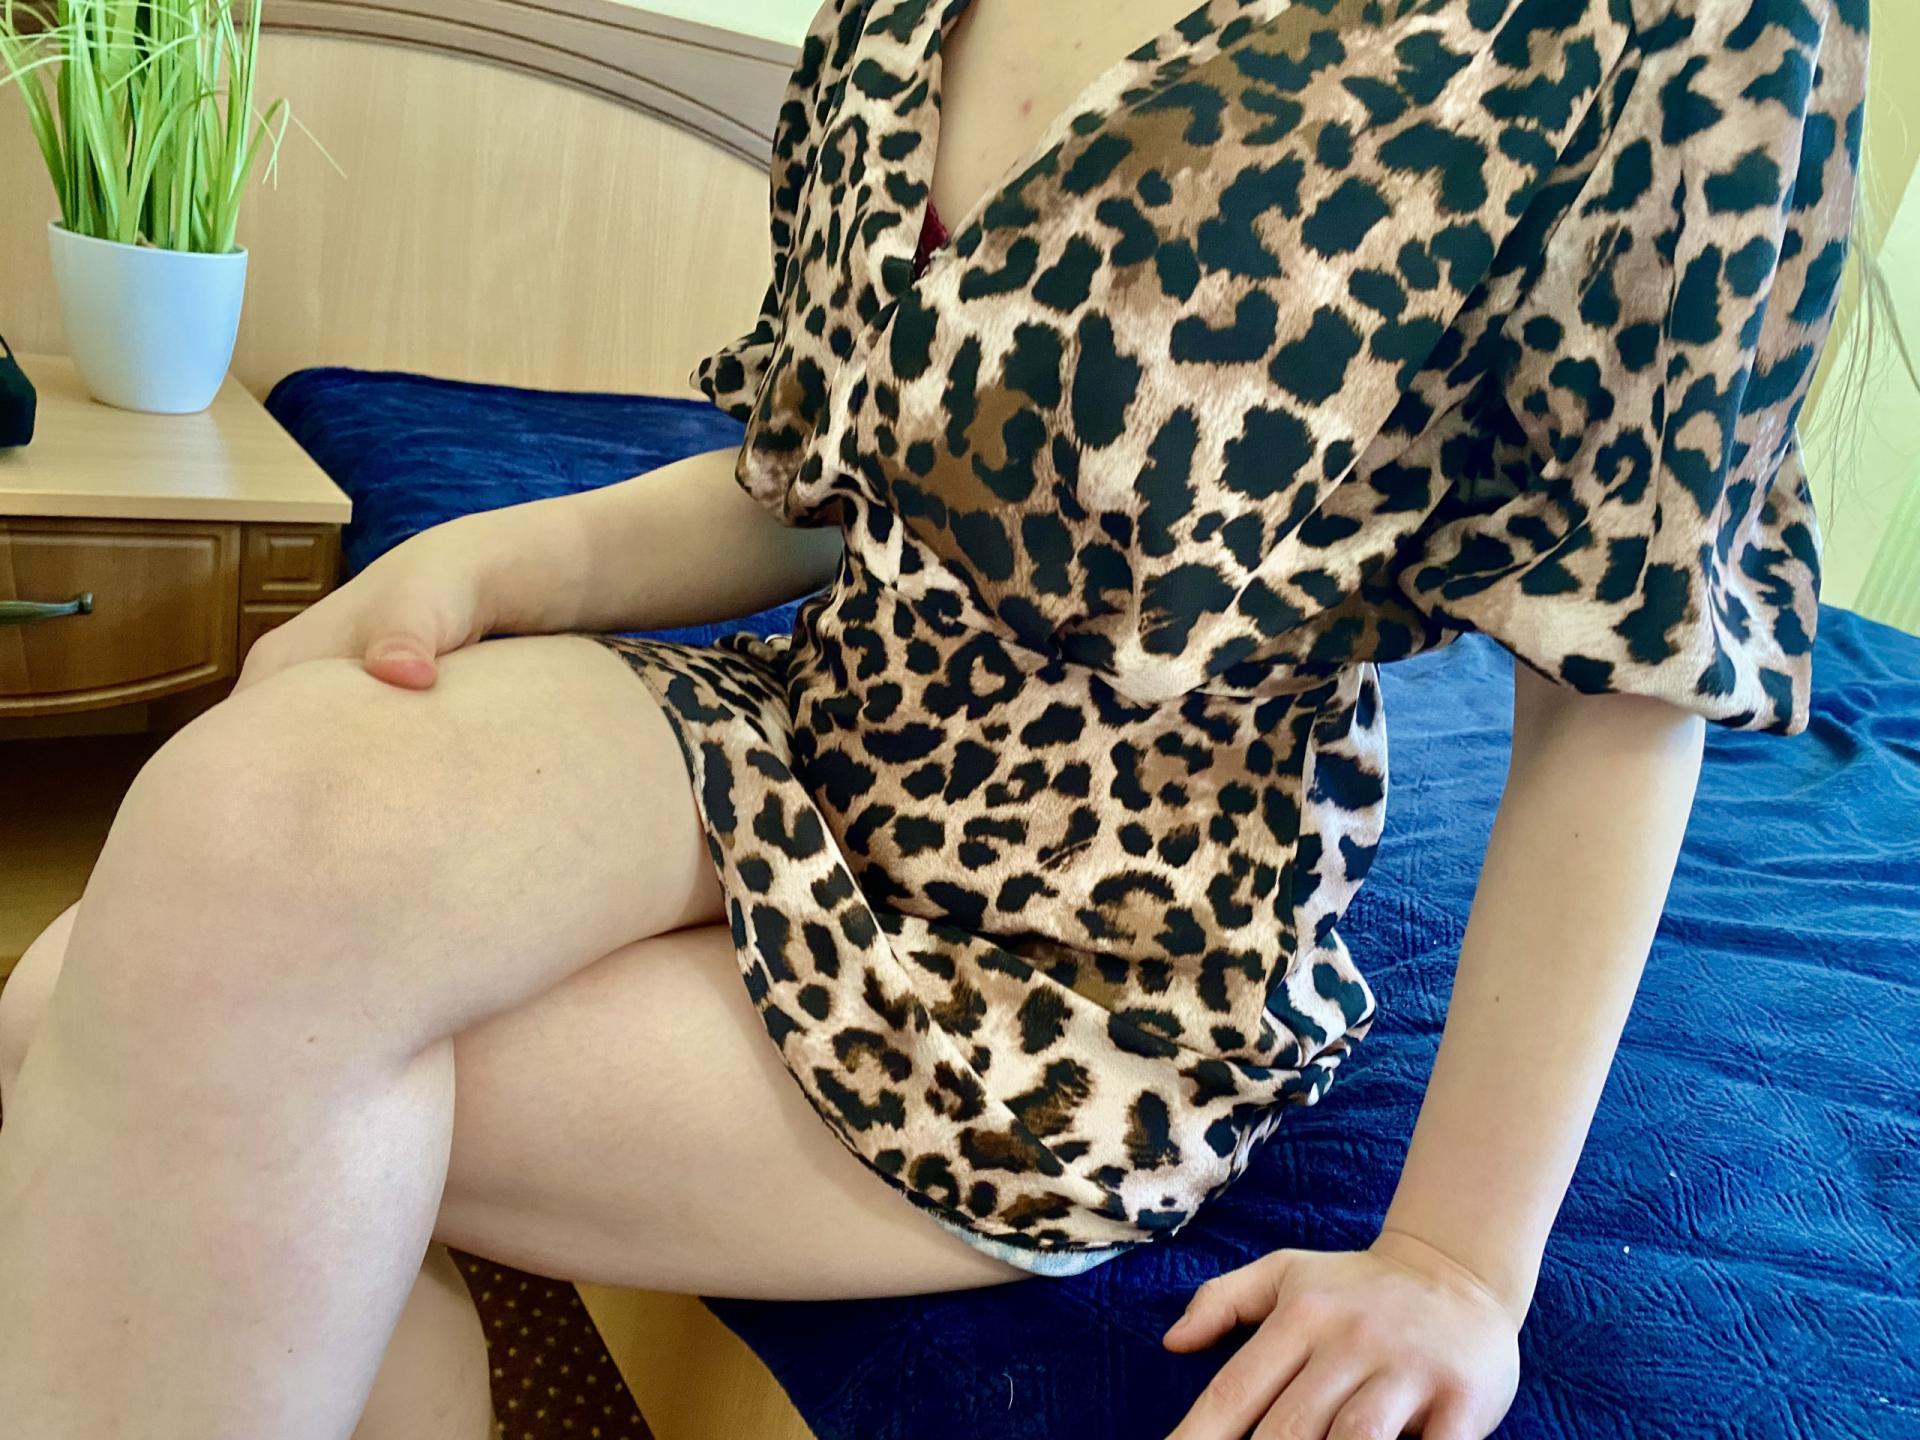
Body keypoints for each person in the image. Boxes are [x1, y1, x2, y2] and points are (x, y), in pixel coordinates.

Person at [0, 1, 1868, 1437]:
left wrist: (1459, 1262)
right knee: (248, 846)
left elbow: (1627, 684)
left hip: (1100, 953)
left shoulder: (1659, 31)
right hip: (806, 718)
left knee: (104, 1017)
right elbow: (818, 472)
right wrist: (499, 560)